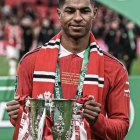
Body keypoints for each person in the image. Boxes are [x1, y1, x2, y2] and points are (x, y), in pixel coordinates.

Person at [6, 0, 130, 139]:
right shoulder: (29, 62)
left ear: (94, 13)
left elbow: (121, 129)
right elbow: (22, 120)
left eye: (84, 11)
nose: (77, 18)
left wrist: (98, 121)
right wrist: (16, 114)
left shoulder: (115, 69)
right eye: (70, 11)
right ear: (59, 14)